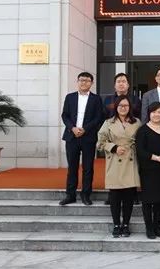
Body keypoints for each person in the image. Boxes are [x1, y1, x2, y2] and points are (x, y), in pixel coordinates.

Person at [97, 95, 141, 238]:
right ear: (116, 107)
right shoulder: (108, 123)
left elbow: (141, 141)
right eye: (121, 105)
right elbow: (100, 143)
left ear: (130, 108)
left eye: (126, 106)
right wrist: (114, 147)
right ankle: (116, 224)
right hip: (115, 161)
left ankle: (126, 224)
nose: (123, 108)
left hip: (130, 161)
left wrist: (132, 147)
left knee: (129, 197)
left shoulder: (137, 122)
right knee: (115, 197)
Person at [60, 72, 103, 206]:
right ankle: (70, 195)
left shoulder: (96, 99)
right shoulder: (70, 97)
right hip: (71, 136)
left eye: (87, 80)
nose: (84, 82)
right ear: (77, 81)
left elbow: (98, 118)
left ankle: (86, 195)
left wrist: (85, 129)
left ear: (92, 83)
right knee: (72, 167)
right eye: (81, 80)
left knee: (88, 167)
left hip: (88, 137)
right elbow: (64, 115)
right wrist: (73, 128)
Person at [103, 73, 142, 206]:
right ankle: (112, 194)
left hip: (130, 138)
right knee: (114, 170)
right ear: (115, 85)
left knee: (132, 169)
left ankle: (134, 193)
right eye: (118, 81)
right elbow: (104, 117)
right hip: (113, 137)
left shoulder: (136, 99)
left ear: (128, 84)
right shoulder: (108, 100)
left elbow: (138, 117)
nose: (121, 83)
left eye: (124, 81)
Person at [135, 102, 160, 239]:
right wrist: (156, 158)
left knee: (159, 200)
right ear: (149, 113)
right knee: (148, 200)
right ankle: (149, 228)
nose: (157, 115)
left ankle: (157, 227)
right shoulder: (142, 130)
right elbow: (140, 151)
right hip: (148, 170)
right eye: (154, 112)